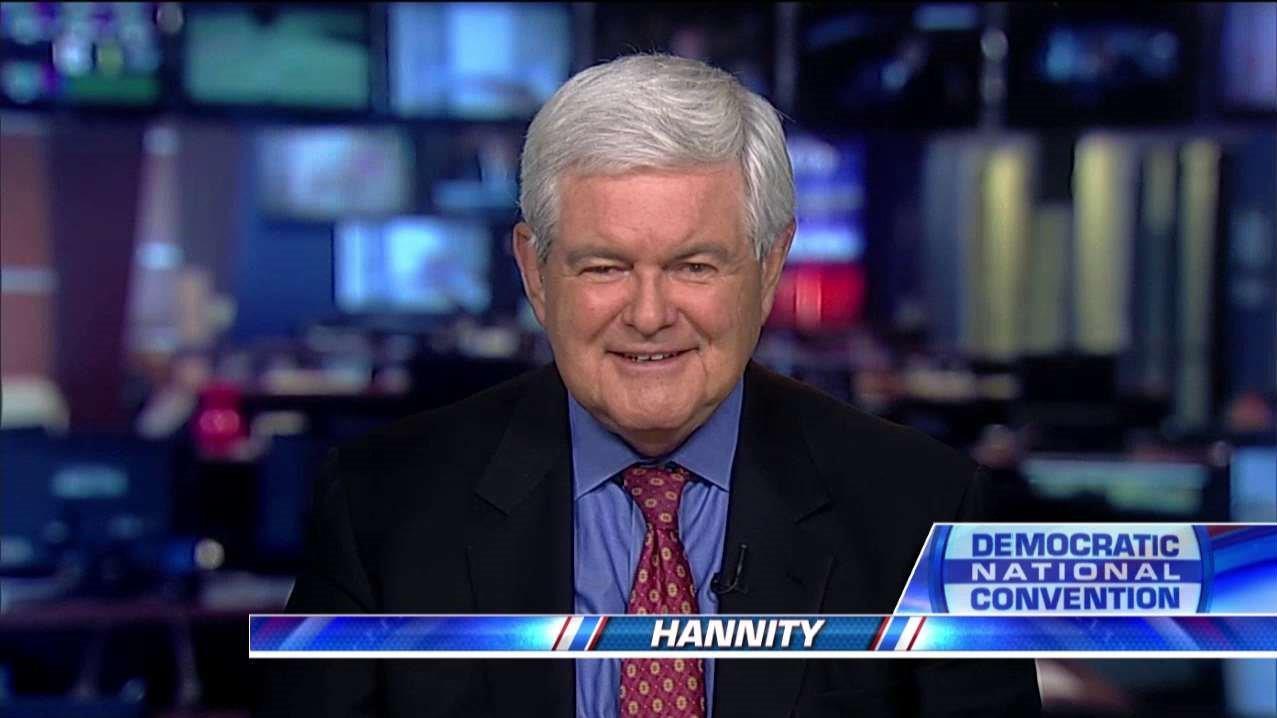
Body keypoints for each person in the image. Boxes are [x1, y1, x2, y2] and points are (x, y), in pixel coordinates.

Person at [258, 54, 1041, 718]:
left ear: (768, 267)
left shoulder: (926, 509)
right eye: (604, 267)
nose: (648, 314)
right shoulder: (379, 506)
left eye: (693, 266)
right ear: (535, 271)